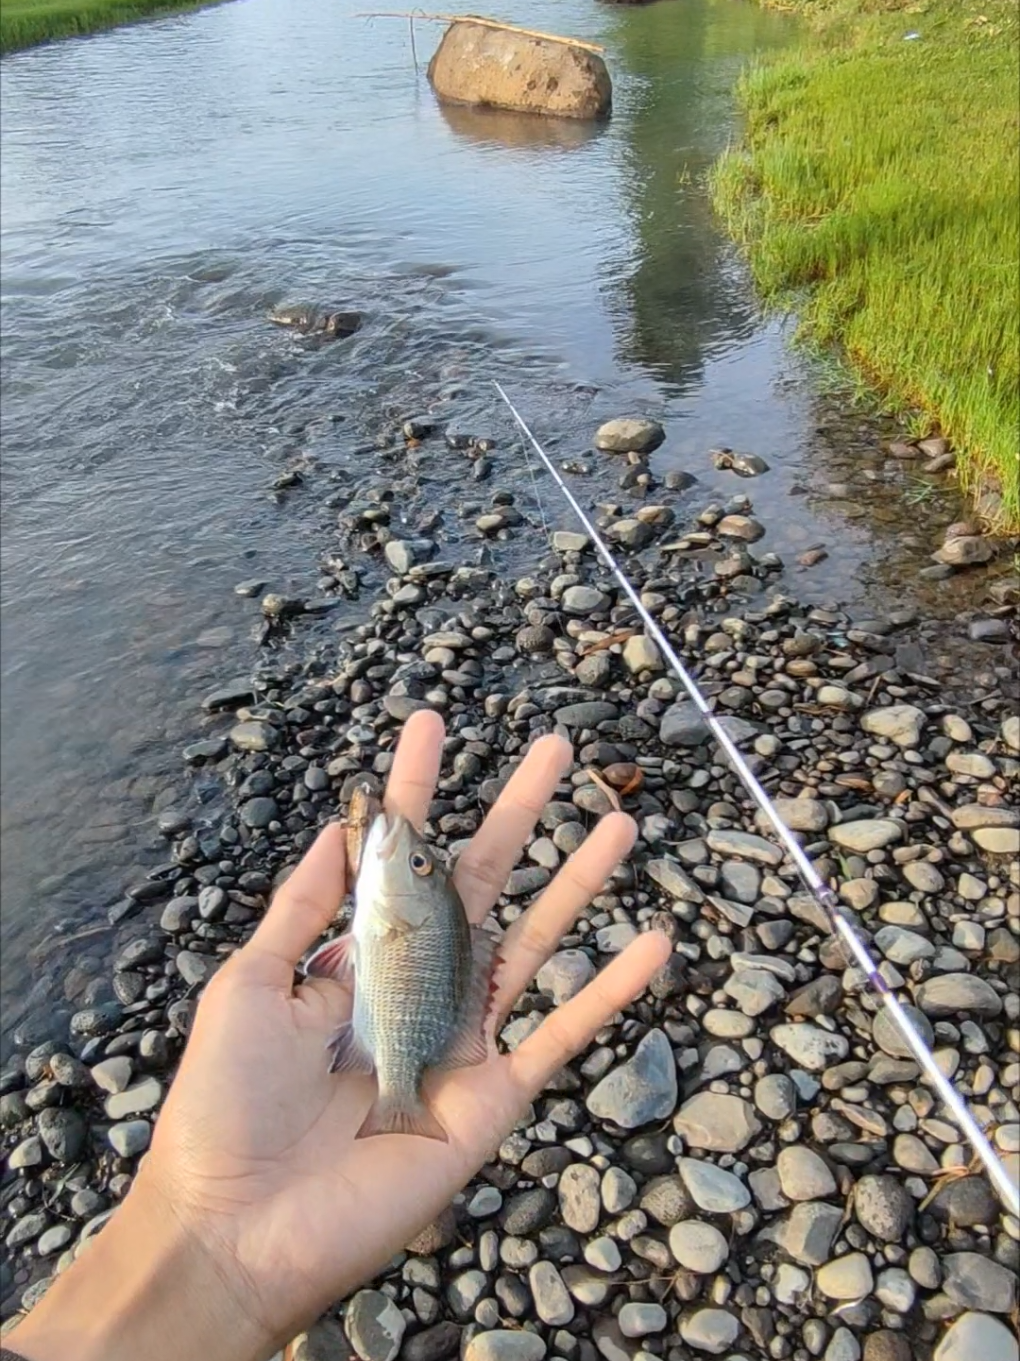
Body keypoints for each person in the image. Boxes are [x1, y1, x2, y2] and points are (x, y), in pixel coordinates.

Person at [5, 711, 671, 1361]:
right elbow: (353, 952)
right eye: (420, 863)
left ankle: (398, 1100)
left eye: (419, 867)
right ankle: (396, 1100)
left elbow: (355, 954)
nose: (407, 851)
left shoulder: (400, 916)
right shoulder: (391, 911)